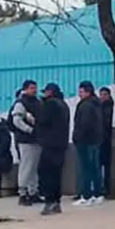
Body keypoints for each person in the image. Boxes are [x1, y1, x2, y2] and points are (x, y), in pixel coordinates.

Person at [35, 83, 71, 215]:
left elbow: (43, 120)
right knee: (56, 173)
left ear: (50, 92)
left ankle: (49, 201)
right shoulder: (64, 104)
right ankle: (56, 202)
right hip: (61, 144)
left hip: (50, 143)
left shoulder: (51, 104)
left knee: (46, 172)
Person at [73, 80, 106, 206]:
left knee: (85, 168)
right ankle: (97, 194)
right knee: (95, 167)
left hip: (85, 141)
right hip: (95, 140)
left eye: (81, 91)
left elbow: (83, 124)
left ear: (88, 92)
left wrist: (77, 137)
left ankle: (86, 195)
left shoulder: (85, 105)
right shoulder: (96, 104)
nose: (79, 94)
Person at [9, 80, 42, 206]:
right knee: (26, 166)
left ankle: (33, 192)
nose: (34, 90)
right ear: (25, 89)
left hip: (36, 139)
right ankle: (22, 193)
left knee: (33, 167)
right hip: (26, 140)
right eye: (32, 88)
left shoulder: (37, 101)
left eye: (35, 87)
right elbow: (16, 121)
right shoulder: (21, 103)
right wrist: (30, 130)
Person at [99, 86, 115, 197]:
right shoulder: (99, 107)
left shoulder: (110, 107)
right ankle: (102, 187)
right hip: (100, 139)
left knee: (107, 166)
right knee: (100, 164)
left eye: (105, 94)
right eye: (101, 94)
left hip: (107, 139)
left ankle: (108, 187)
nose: (103, 97)